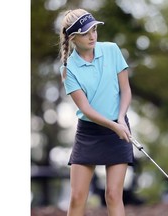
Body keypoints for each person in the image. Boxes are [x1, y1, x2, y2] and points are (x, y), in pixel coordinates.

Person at [58, 8, 134, 216]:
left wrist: (120, 119)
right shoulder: (68, 68)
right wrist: (112, 125)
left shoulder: (112, 50)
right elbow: (85, 109)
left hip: (119, 127)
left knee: (112, 194)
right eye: (85, 32)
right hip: (89, 132)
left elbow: (126, 90)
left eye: (94, 30)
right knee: (77, 198)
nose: (92, 36)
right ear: (73, 38)